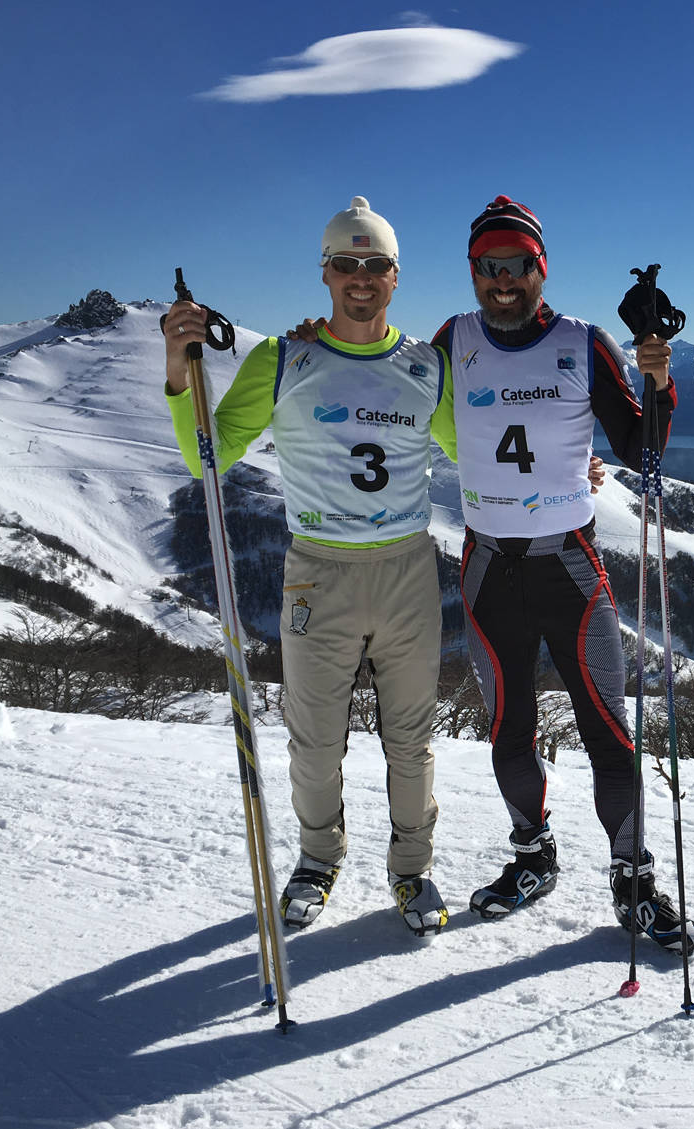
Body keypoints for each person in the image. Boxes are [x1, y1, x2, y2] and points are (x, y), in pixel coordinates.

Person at [161, 196, 452, 936]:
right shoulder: (283, 358)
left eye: (374, 265)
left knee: (409, 737)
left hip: (406, 567)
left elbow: (481, 453)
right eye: (345, 264)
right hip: (318, 569)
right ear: (325, 273)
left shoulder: (426, 366)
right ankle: (318, 859)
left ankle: (412, 868)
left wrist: (572, 469)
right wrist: (175, 365)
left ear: (396, 277)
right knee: (315, 736)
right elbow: (209, 452)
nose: (360, 277)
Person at [436, 195, 694, 955]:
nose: (503, 279)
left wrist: (660, 377)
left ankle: (632, 881)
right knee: (508, 731)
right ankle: (532, 855)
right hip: (489, 567)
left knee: (608, 732)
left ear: (539, 268)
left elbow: (641, 447)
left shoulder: (582, 343)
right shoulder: (451, 341)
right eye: (489, 266)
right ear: (474, 272)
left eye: (517, 265)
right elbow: (384, 396)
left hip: (568, 564)